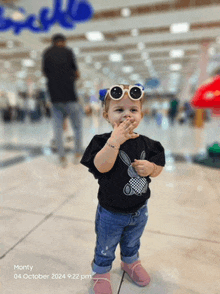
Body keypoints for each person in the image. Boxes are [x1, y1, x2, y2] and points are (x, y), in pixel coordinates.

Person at [80, 84, 165, 294]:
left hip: (139, 209)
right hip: (111, 211)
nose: (127, 115)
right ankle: (101, 271)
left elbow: (159, 168)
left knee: (132, 241)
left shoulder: (149, 144)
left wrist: (152, 168)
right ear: (106, 115)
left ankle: (130, 262)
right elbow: (102, 166)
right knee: (106, 245)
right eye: (119, 110)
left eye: (133, 110)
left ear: (141, 114)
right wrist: (114, 142)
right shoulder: (101, 142)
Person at [42, 33, 82, 167]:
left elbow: (44, 73)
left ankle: (62, 158)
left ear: (53, 42)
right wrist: (71, 79)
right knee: (77, 128)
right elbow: (76, 73)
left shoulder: (46, 53)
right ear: (63, 41)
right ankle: (77, 154)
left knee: (58, 130)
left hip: (55, 99)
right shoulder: (68, 51)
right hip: (71, 97)